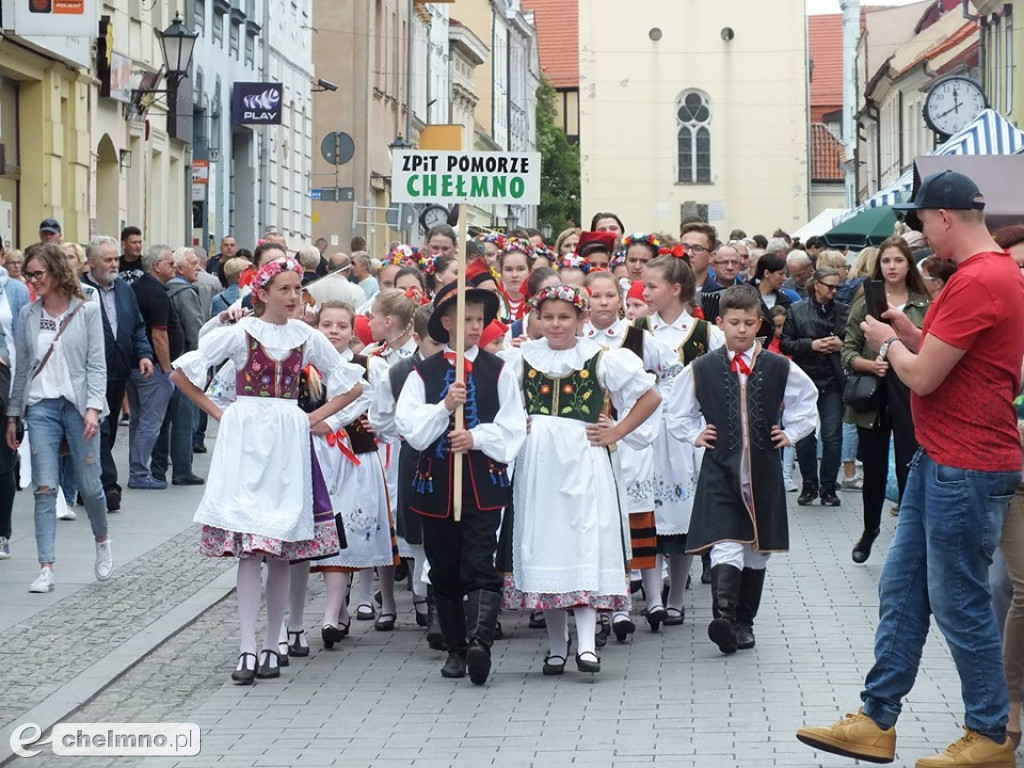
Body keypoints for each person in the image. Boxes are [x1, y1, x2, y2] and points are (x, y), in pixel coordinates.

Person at [797, 170, 1024, 768]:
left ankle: (991, 734)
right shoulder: (986, 273)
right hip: (944, 458)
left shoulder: (980, 278)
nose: (916, 231)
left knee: (958, 601)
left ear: (945, 217)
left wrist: (885, 342)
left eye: (920, 220)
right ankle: (877, 719)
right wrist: (905, 329)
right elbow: (950, 356)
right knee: (903, 591)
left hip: (967, 462)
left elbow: (922, 375)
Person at [170, 256, 364, 684]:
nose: (294, 297)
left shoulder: (306, 337)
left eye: (298, 289)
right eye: (285, 289)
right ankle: (246, 645)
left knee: (279, 547)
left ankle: (274, 640)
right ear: (262, 293)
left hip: (286, 440)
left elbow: (350, 383)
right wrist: (220, 413)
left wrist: (312, 418)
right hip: (247, 440)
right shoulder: (241, 334)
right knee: (250, 549)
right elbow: (184, 372)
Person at [503, 284, 660, 675]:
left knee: (584, 542)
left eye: (565, 317)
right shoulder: (521, 358)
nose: (555, 325)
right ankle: (557, 646)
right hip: (537, 462)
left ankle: (587, 644)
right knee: (545, 546)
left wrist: (617, 432)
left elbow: (651, 395)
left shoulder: (602, 358)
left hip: (585, 459)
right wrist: (514, 426)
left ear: (581, 319)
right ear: (537, 318)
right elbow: (503, 406)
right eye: (548, 317)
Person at [667, 284, 816, 653]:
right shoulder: (702, 367)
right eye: (734, 322)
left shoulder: (779, 365)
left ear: (759, 324)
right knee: (725, 540)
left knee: (757, 548)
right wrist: (695, 434)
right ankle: (723, 616)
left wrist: (792, 432)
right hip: (721, 467)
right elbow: (676, 409)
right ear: (720, 323)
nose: (742, 330)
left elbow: (806, 400)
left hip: (763, 467)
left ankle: (744, 622)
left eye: (749, 323)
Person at [396, 282, 527, 684]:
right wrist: (444, 408)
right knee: (445, 569)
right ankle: (454, 649)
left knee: (480, 563)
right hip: (436, 486)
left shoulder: (499, 369)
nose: (475, 326)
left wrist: (477, 437)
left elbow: (513, 425)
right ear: (447, 322)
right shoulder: (422, 372)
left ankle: (480, 644)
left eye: (480, 320)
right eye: (467, 319)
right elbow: (411, 428)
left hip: (483, 484)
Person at [7, 243, 112, 592]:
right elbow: (23, 368)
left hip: (78, 406)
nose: (33, 281)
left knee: (90, 486)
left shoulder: (87, 311)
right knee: (44, 488)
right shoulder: (28, 315)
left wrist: (94, 408)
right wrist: (12, 416)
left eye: (38, 274)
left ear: (55, 271)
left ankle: (101, 541)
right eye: (29, 275)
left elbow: (97, 365)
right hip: (40, 408)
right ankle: (46, 568)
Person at [583, 271, 674, 642]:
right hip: (593, 442)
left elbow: (669, 375)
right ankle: (616, 604)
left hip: (632, 441)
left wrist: (643, 420)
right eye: (596, 296)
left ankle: (653, 598)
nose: (604, 302)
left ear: (619, 300)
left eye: (609, 296)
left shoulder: (637, 338)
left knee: (640, 521)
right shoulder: (578, 340)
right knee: (607, 524)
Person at [638, 254, 724, 627]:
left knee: (683, 514)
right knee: (646, 512)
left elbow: (720, 385)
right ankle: (653, 597)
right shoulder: (636, 330)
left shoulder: (706, 335)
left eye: (652, 285)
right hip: (645, 432)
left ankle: (676, 596)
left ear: (675, 289)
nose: (644, 291)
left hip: (689, 435)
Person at [841, 236, 928, 563]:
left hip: (910, 395)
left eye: (898, 261)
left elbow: (931, 348)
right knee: (875, 473)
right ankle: (869, 530)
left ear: (908, 265)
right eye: (886, 261)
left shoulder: (924, 303)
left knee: (910, 470)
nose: (892, 267)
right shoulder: (866, 303)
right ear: (878, 266)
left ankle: (907, 538)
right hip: (873, 397)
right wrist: (869, 363)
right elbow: (846, 351)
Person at [82, 236, 155, 512]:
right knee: (99, 427)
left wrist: (144, 354)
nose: (114, 264)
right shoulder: (81, 290)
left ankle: (87, 484)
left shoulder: (124, 289)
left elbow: (137, 326)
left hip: (119, 368)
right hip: (89, 372)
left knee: (108, 431)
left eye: (115, 259)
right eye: (108, 260)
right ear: (91, 263)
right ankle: (108, 484)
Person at [780, 267, 849, 507]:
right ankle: (809, 484)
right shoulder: (797, 310)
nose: (834, 291)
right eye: (830, 286)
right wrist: (812, 345)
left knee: (832, 435)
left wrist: (841, 344)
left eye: (837, 287)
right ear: (816, 285)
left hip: (832, 380)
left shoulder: (844, 311)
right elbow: (786, 343)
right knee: (805, 435)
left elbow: (853, 341)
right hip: (804, 381)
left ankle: (828, 486)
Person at [126, 245, 182, 490]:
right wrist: (167, 370)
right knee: (150, 421)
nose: (174, 267)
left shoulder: (135, 288)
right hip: (153, 367)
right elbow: (159, 335)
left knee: (139, 419)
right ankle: (139, 472)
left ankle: (137, 468)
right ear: (157, 265)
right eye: (170, 263)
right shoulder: (156, 292)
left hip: (135, 364)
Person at [151, 247, 204, 486]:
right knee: (183, 418)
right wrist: (201, 359)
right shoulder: (186, 292)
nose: (199, 267)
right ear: (180, 268)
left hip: (161, 363)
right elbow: (195, 328)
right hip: (183, 363)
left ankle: (158, 468)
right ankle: (182, 469)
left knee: (161, 419)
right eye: (193, 263)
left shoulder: (162, 290)